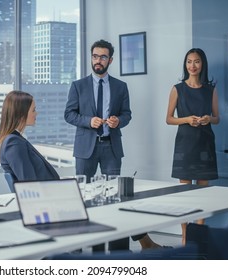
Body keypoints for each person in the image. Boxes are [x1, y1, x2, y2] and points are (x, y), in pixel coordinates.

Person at [65, 39, 162, 251]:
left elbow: (127, 114)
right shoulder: (78, 86)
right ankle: (78, 249)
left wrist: (119, 121)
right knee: (83, 197)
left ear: (110, 59)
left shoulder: (120, 86)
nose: (97, 60)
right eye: (94, 56)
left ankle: (117, 251)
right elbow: (69, 115)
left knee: (115, 200)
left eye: (102, 57)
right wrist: (88, 121)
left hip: (111, 147)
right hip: (85, 149)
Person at [166, 48, 220, 244]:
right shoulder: (177, 89)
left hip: (205, 143)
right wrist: (187, 119)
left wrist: (208, 119)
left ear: (202, 64)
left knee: (203, 193)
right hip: (185, 144)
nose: (193, 65)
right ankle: (185, 236)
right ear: (185, 64)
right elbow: (169, 119)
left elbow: (217, 118)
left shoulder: (211, 90)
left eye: (196, 61)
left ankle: (199, 233)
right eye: (189, 61)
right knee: (185, 195)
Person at [0, 90, 60, 183]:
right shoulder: (13, 143)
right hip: (44, 195)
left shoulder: (16, 139)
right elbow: (29, 182)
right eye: (33, 110)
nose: (36, 113)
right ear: (21, 114)